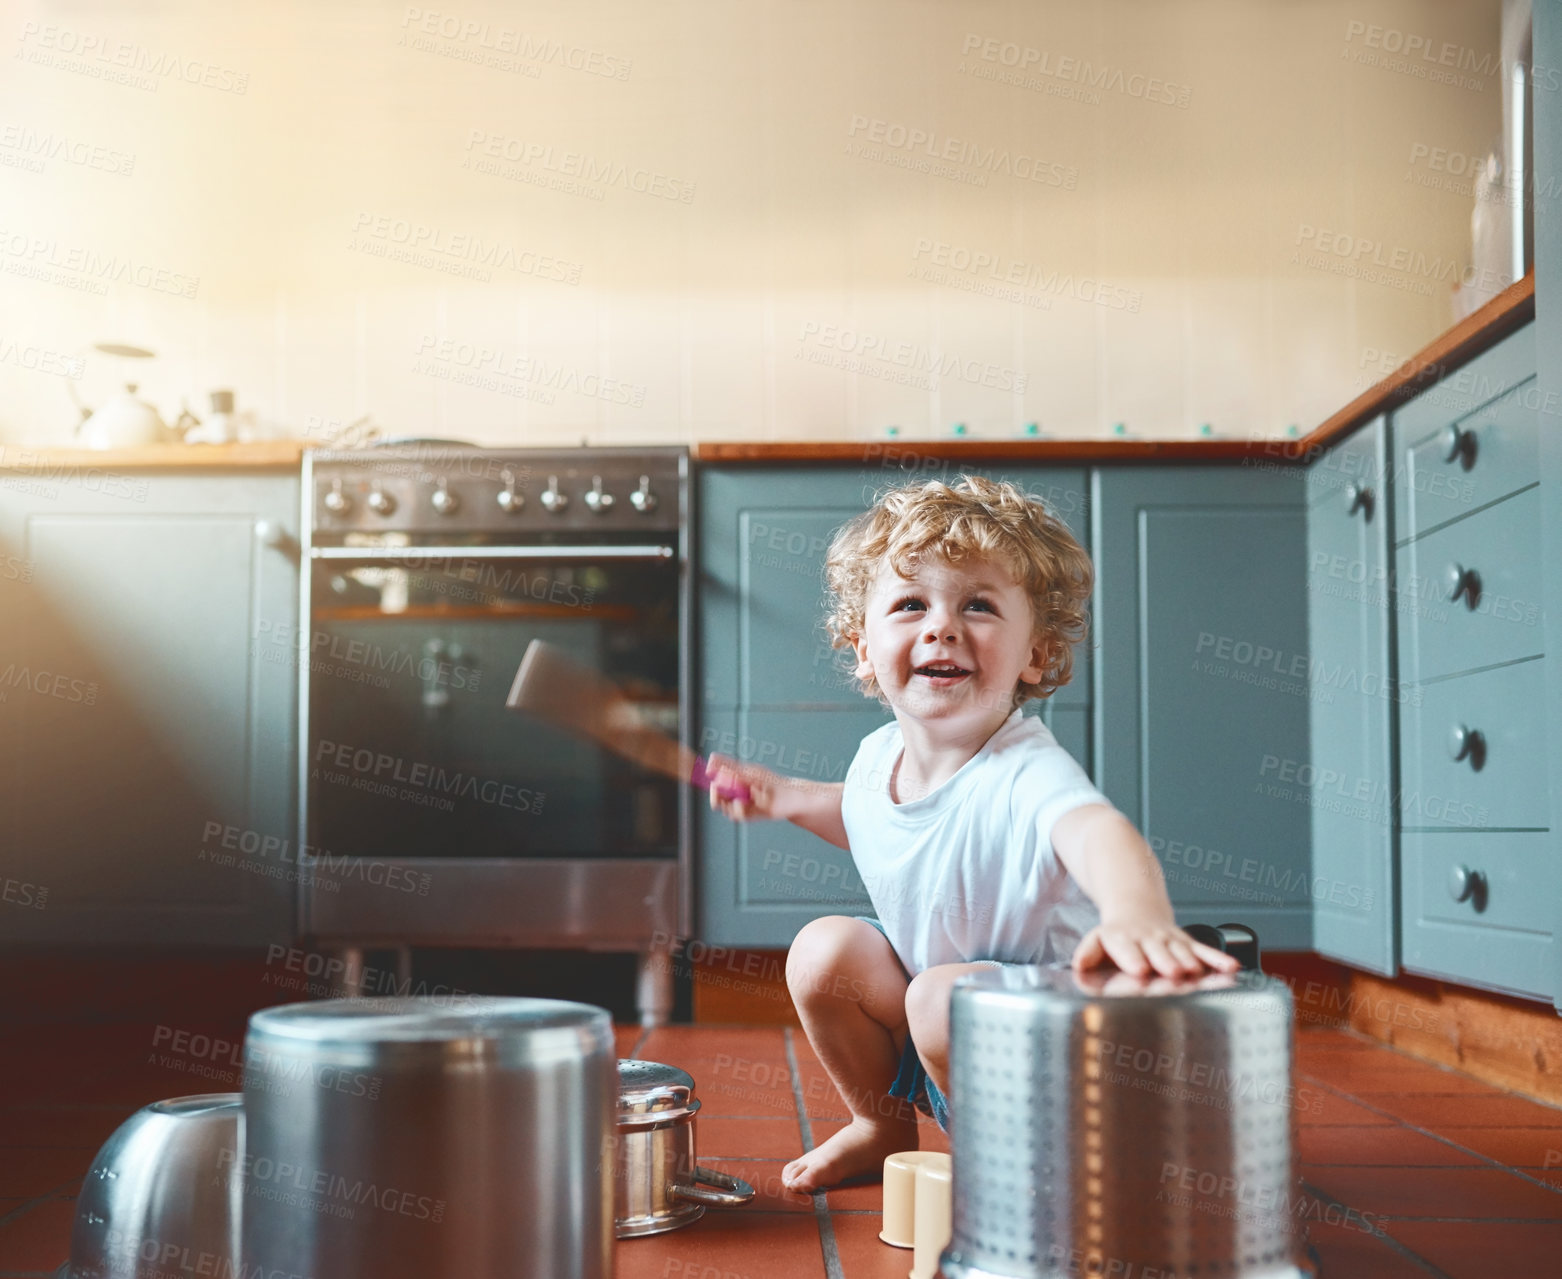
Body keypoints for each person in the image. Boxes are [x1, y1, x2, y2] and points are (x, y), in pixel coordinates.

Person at [706, 474, 1239, 1193]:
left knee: (937, 996)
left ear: (1037, 656)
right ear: (864, 648)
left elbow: (1096, 831)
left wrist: (1135, 912)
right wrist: (789, 797)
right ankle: (881, 1126)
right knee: (824, 951)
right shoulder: (878, 757)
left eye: (979, 605)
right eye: (910, 604)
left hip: (1068, 1072)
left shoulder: (1025, 767)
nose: (941, 626)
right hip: (953, 1051)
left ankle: (1023, 1182)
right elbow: (869, 814)